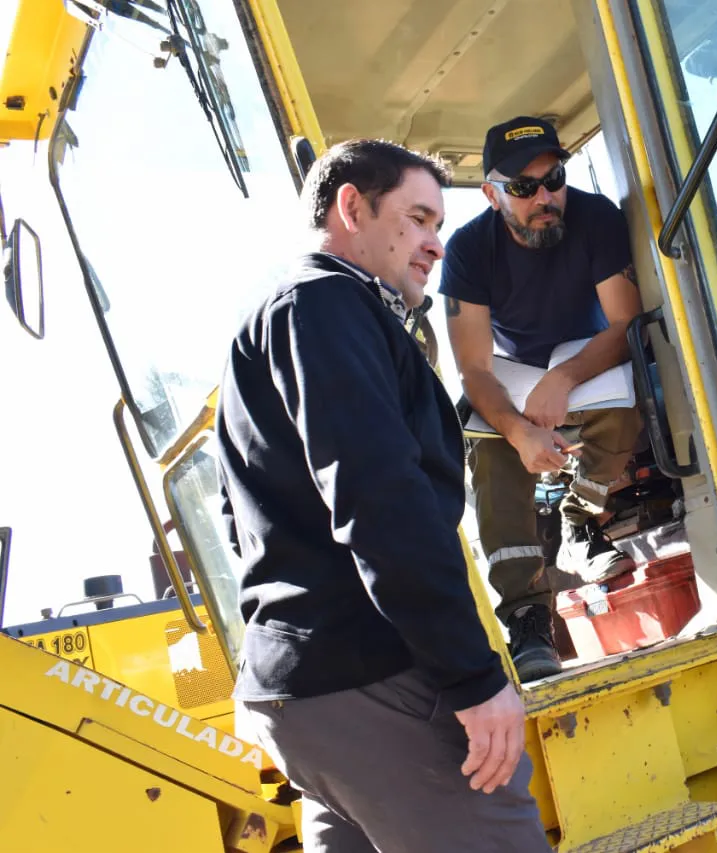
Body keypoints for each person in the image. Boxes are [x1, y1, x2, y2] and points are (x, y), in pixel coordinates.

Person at [215, 138, 550, 852]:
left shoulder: (272, 321)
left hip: (296, 696)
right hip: (372, 678)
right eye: (420, 218)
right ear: (351, 207)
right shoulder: (327, 304)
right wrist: (473, 675)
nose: (436, 244)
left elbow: (234, 518)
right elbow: (380, 500)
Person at [439, 116, 643, 683]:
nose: (545, 198)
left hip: (588, 360)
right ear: (492, 193)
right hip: (514, 377)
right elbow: (474, 369)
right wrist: (519, 430)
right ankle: (529, 618)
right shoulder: (467, 251)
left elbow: (626, 324)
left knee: (632, 388)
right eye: (524, 188)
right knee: (485, 436)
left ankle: (578, 521)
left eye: (553, 179)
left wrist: (565, 379)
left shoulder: (596, 216)